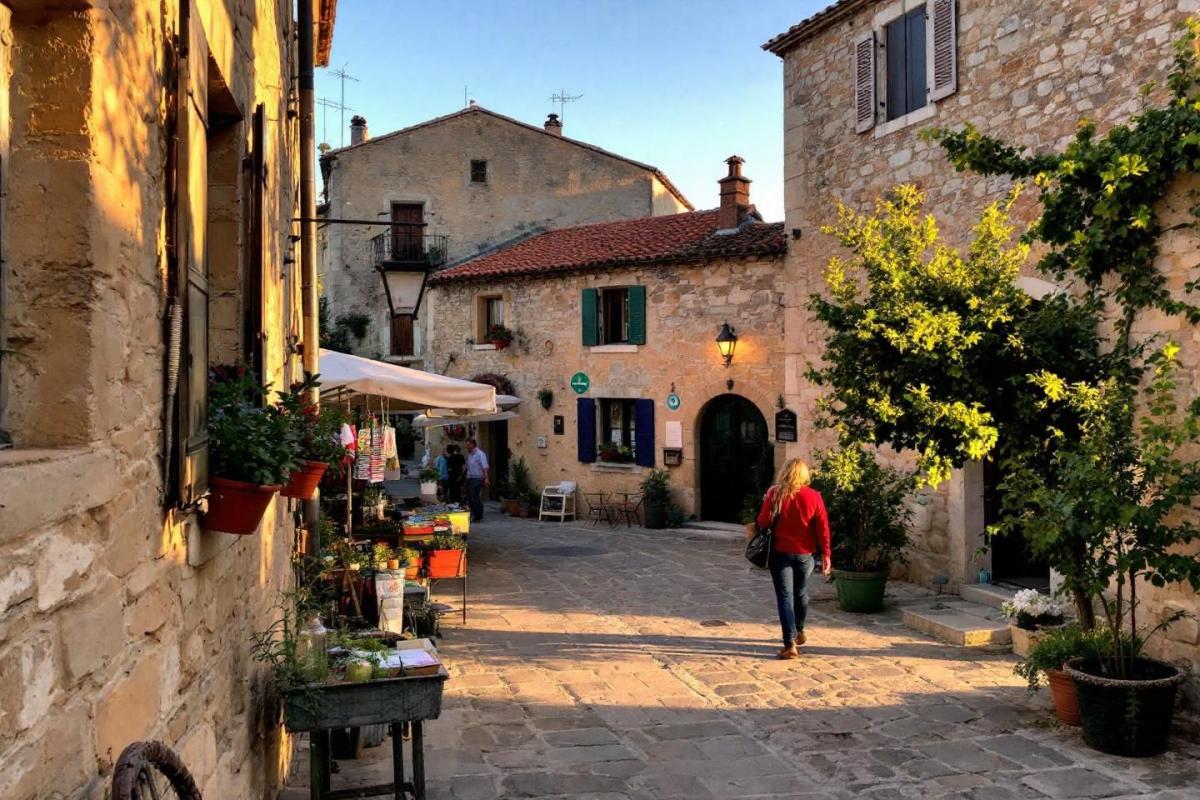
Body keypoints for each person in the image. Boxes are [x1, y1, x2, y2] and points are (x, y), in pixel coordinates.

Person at [753, 458, 832, 660]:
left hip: (780, 552)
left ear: (785, 472)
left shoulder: (775, 494)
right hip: (805, 554)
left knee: (785, 597)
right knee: (801, 592)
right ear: (804, 475)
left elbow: (762, 522)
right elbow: (823, 527)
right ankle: (800, 629)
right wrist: (826, 554)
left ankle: (789, 644)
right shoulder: (814, 496)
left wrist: (768, 503)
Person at [464, 439, 490, 522]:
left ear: (472, 445)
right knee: (470, 497)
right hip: (470, 478)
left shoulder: (480, 454)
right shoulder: (471, 455)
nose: (466, 447)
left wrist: (486, 478)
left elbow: (485, 467)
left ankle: (478, 515)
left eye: (468, 445)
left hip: (477, 478)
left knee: (474, 496)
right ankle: (474, 514)